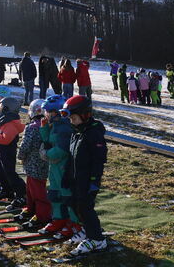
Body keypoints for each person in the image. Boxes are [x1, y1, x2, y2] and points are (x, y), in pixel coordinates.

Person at [60, 95, 108, 256]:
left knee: (85, 207)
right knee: (75, 204)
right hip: (75, 178)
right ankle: (89, 230)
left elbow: (99, 160)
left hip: (87, 179)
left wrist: (94, 181)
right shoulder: (77, 132)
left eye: (73, 118)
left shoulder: (93, 133)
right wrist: (67, 175)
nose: (71, 121)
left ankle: (97, 239)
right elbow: (71, 155)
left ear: (84, 115)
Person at [37, 95, 80, 237]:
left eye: (48, 112)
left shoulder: (64, 127)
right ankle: (58, 219)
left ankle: (74, 223)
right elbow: (48, 140)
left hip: (63, 167)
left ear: (57, 112)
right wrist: (44, 128)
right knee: (54, 194)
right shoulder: (54, 125)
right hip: (54, 167)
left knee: (67, 195)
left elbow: (62, 149)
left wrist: (47, 154)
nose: (46, 115)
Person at [16, 99, 51, 229]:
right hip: (42, 163)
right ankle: (31, 209)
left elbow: (26, 144)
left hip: (32, 163)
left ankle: (42, 215)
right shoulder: (46, 125)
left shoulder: (32, 127)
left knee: (37, 191)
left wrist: (20, 156)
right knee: (31, 188)